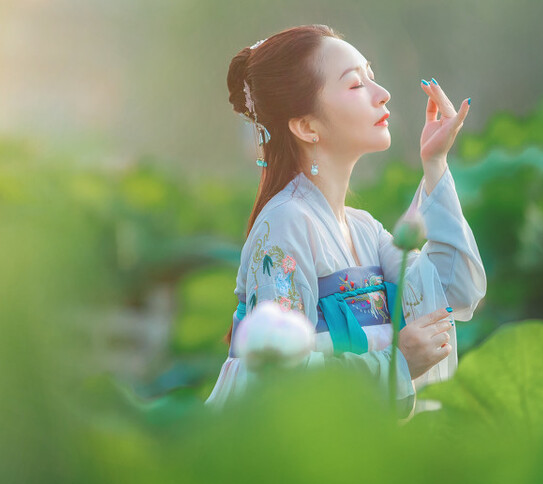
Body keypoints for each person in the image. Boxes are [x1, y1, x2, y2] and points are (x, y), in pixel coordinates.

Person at [204, 24, 487, 417]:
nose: (382, 93)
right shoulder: (286, 224)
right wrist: (396, 364)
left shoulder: (365, 230)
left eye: (371, 76)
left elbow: (452, 294)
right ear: (306, 126)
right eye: (356, 85)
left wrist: (435, 164)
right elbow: (277, 382)